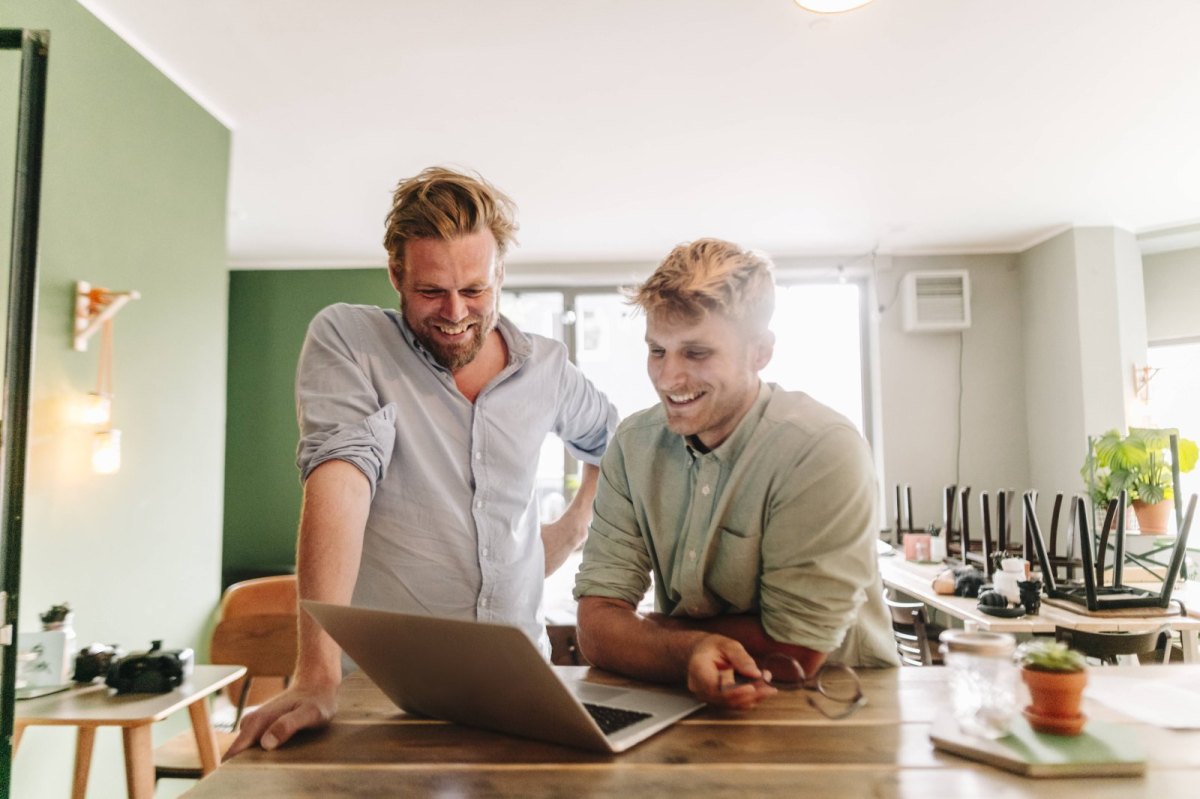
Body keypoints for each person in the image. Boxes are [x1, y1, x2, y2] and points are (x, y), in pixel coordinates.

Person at [231, 167, 618, 753]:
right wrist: (316, 674)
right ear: (396, 274)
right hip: (385, 695)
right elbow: (340, 481)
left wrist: (574, 525)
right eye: (431, 291)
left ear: (500, 274)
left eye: (475, 290)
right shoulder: (349, 341)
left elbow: (615, 447)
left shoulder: (548, 369)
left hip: (521, 687)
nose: (455, 312)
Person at [574, 238, 897, 711]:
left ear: (760, 351)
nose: (668, 378)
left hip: (839, 703)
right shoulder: (633, 445)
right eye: (658, 351)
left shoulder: (821, 448)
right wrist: (674, 647)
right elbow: (595, 630)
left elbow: (796, 653)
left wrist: (648, 633)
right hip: (690, 701)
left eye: (697, 353)